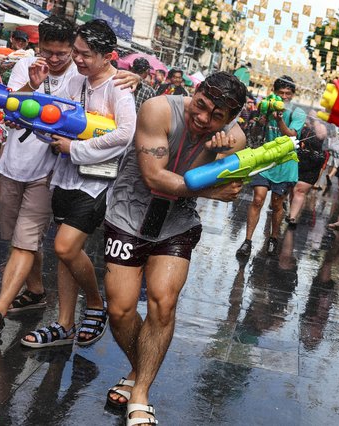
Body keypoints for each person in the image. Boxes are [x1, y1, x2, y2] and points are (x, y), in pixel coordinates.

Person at [103, 71, 246, 425]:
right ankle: (140, 369)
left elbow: (225, 184)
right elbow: (155, 176)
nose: (204, 118)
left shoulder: (234, 138)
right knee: (120, 309)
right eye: (201, 106)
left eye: (217, 116)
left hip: (177, 221)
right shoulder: (158, 110)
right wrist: (212, 190)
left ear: (230, 119)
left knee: (163, 303)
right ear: (194, 93)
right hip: (129, 212)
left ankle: (141, 393)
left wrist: (216, 159)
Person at [0, 17, 139, 338]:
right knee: (64, 255)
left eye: (85, 54)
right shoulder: (77, 83)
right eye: (77, 52)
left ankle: (96, 303)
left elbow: (126, 134)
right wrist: (30, 122)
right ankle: (65, 324)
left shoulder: (119, 87)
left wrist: (75, 148)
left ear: (108, 55)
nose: (78, 60)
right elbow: (59, 126)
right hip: (65, 178)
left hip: (97, 182)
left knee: (64, 247)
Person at [236, 75, 306, 257]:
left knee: (277, 204)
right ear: (274, 93)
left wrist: (280, 119)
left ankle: (274, 238)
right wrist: (262, 120)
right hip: (265, 160)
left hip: (284, 163)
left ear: (292, 94)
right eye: (280, 93)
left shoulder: (297, 113)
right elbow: (256, 133)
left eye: (288, 93)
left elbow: (291, 136)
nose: (284, 97)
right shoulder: (266, 107)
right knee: (258, 199)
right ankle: (247, 241)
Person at [286, 110, 327, 227]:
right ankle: (291, 212)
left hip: (313, 162)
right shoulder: (302, 127)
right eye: (310, 117)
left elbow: (320, 135)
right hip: (299, 160)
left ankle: (293, 217)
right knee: (293, 188)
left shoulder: (322, 127)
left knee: (299, 189)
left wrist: (315, 121)